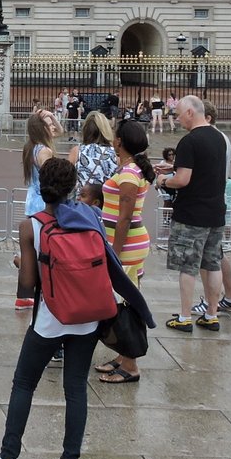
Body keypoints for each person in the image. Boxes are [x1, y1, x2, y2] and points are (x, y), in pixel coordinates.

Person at [0, 156, 152, 459]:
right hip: (89, 318)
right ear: (73, 188)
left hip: (51, 318)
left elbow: (29, 284)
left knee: (24, 384)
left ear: (40, 187)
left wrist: (23, 260)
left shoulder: (30, 225)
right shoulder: (90, 215)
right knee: (76, 388)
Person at [153, 96, 227, 332]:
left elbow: (183, 180)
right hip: (215, 211)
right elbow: (204, 168)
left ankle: (185, 317)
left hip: (191, 213)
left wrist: (165, 179)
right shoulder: (218, 137)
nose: (176, 118)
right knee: (212, 264)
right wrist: (174, 167)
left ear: (189, 113)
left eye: (178, 114)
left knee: (188, 267)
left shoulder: (189, 141)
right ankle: (211, 314)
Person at [95, 119, 152, 382]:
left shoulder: (129, 174)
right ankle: (123, 356)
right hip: (125, 244)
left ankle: (130, 365)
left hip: (126, 246)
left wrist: (114, 252)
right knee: (122, 300)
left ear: (120, 142)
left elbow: (125, 219)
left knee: (126, 304)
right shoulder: (129, 168)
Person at [17, 109, 62, 310]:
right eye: (48, 123)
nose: (52, 125)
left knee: (32, 250)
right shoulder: (44, 151)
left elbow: (59, 130)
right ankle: (39, 290)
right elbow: (50, 177)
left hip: (33, 201)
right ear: (40, 128)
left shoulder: (31, 146)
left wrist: (51, 115)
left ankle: (24, 295)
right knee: (41, 251)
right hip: (42, 203)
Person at [70, 111, 116, 192]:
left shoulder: (77, 151)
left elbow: (66, 180)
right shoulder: (114, 154)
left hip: (80, 202)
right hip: (105, 201)